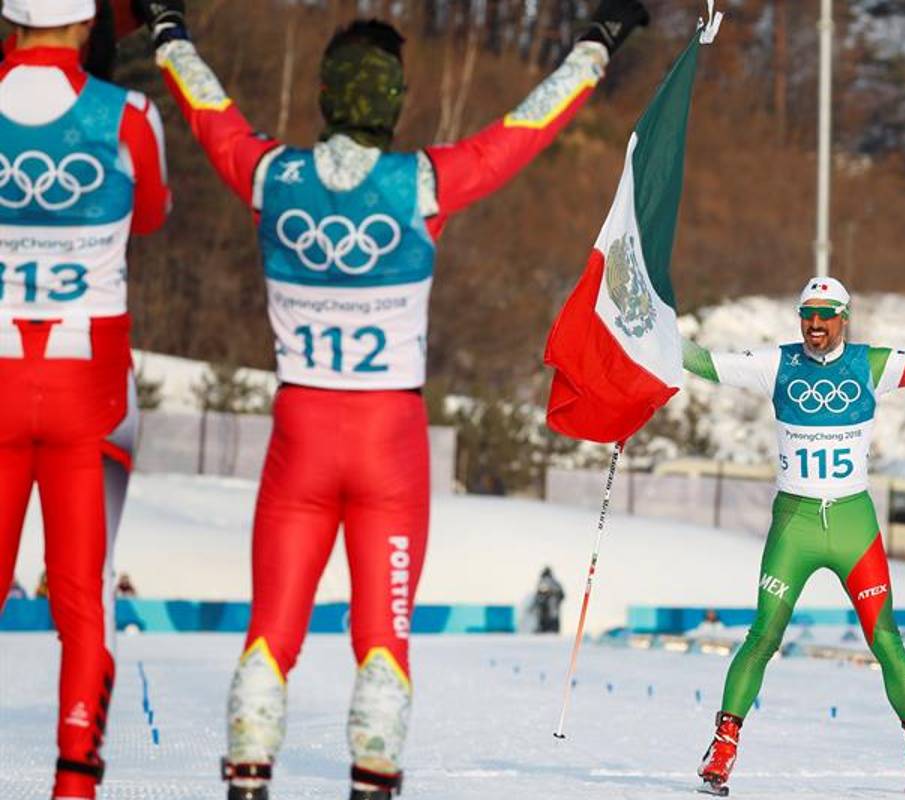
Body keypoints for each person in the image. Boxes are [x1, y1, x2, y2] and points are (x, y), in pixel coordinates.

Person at [130, 1, 649, 797]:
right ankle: (373, 779)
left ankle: (245, 777)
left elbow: (209, 109)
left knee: (270, 634)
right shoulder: (424, 183)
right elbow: (526, 127)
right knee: (383, 640)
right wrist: (595, 44)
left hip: (301, 431)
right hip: (389, 440)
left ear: (326, 99)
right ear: (395, 104)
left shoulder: (273, 177)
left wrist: (169, 33)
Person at [686, 276, 905, 796]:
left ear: (843, 318)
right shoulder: (777, 364)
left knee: (886, 639)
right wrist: (651, 331)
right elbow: (703, 363)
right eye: (807, 316)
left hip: (854, 527)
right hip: (796, 526)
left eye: (825, 316)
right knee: (763, 636)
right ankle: (722, 749)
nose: (815, 326)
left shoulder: (870, 366)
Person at [0, 2, 169, 798]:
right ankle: (75, 783)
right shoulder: (129, 114)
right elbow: (154, 213)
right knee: (81, 598)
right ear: (86, 24)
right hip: (89, 391)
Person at [533, 566, 565, 634]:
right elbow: (538, 594)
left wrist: (554, 596)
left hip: (552, 607)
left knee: (553, 617)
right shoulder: (542, 582)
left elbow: (562, 595)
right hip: (543, 609)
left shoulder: (554, 583)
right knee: (543, 617)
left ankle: (552, 630)